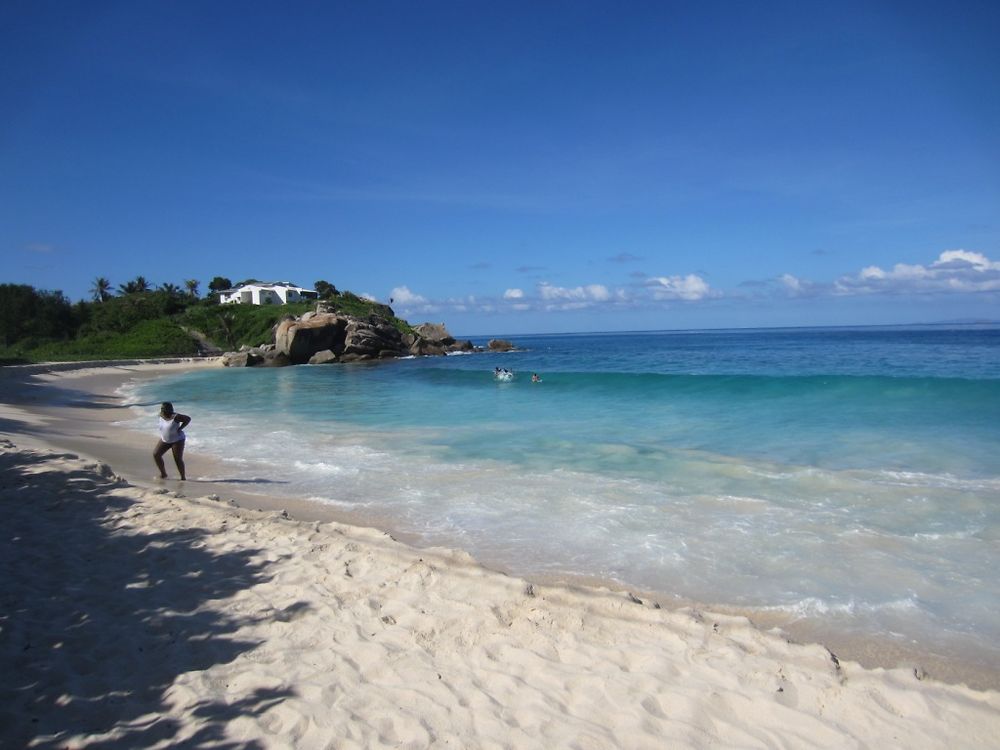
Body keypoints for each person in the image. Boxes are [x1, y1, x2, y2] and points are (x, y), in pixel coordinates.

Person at [154, 401, 191, 480]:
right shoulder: (160, 415)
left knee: (177, 459)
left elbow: (188, 419)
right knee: (156, 454)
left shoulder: (176, 416)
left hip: (177, 440)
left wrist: (180, 428)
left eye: (165, 409)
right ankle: (164, 474)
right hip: (165, 440)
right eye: (162, 409)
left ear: (170, 409)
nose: (163, 411)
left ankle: (183, 477)